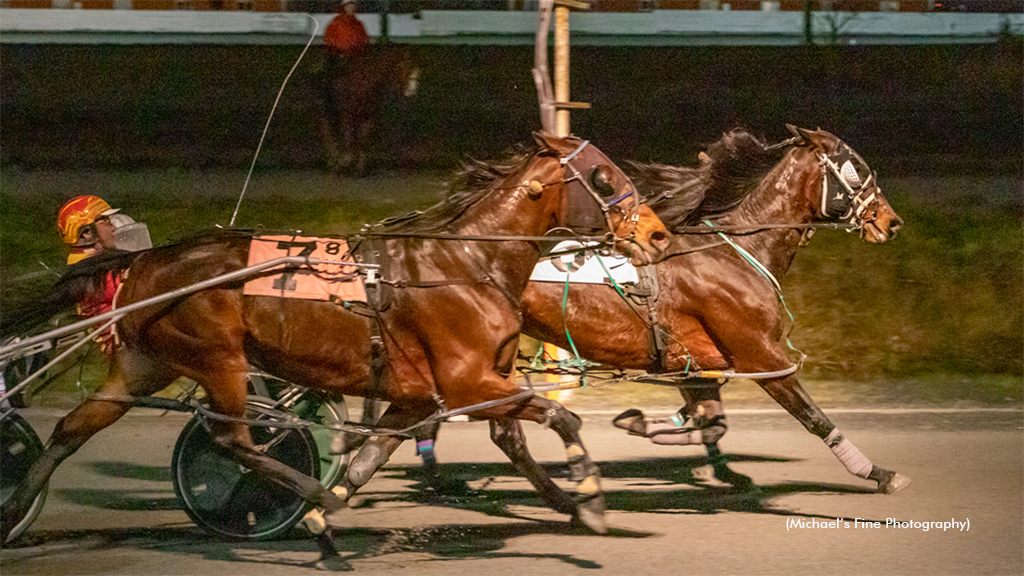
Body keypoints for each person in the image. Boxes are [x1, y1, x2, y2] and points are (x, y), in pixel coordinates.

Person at [322, 0, 369, 69]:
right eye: (349, 6)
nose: (351, 8)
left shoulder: (358, 24)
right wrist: (338, 53)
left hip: (354, 60)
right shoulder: (336, 22)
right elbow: (329, 39)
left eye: (353, 6)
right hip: (338, 60)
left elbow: (363, 40)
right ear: (344, 8)